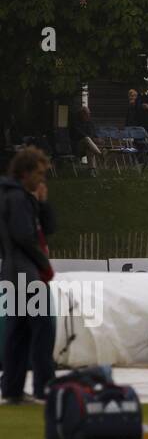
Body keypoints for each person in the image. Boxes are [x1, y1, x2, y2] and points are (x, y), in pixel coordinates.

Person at [0, 148, 56, 404]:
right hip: (26, 275)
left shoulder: (13, 196)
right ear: (26, 173)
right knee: (43, 329)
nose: (41, 179)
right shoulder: (19, 198)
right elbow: (25, 236)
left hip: (13, 274)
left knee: (18, 333)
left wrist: (42, 203)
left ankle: (12, 389)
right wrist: (43, 263)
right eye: (39, 174)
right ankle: (44, 387)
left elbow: (48, 227)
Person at [68, 106, 103, 175]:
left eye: (89, 114)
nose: (88, 115)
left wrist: (97, 138)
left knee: (89, 149)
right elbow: (80, 134)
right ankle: (100, 154)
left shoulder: (90, 122)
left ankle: (92, 171)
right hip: (77, 147)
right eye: (87, 114)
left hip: (87, 146)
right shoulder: (75, 122)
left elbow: (93, 133)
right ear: (82, 114)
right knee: (86, 138)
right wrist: (92, 138)